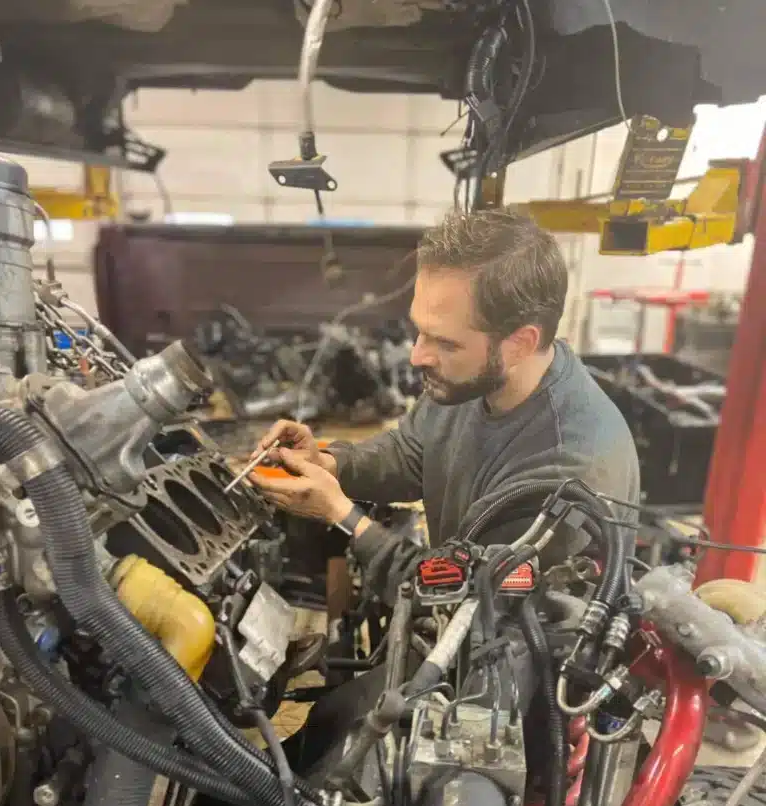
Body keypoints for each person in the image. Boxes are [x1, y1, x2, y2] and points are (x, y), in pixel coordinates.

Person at [250, 207, 639, 607]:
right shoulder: (471, 381)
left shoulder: (568, 468)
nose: (418, 356)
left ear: (520, 342)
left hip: (514, 649)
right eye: (420, 331)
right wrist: (330, 465)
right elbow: (414, 452)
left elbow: (462, 596)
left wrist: (340, 513)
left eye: (445, 343)